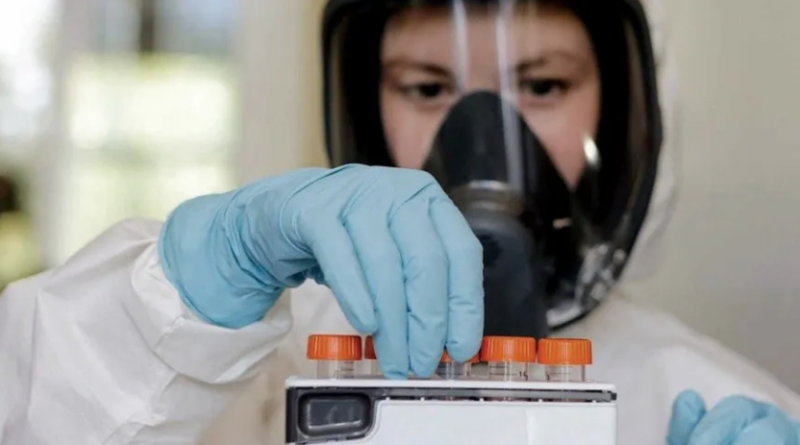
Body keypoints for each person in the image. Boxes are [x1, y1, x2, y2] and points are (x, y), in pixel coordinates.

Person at [1, 0, 799, 444]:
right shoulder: (252, 364)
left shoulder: (709, 403)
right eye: (426, 88)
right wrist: (171, 314)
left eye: (543, 86)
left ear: (625, 115)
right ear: (364, 107)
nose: (483, 135)